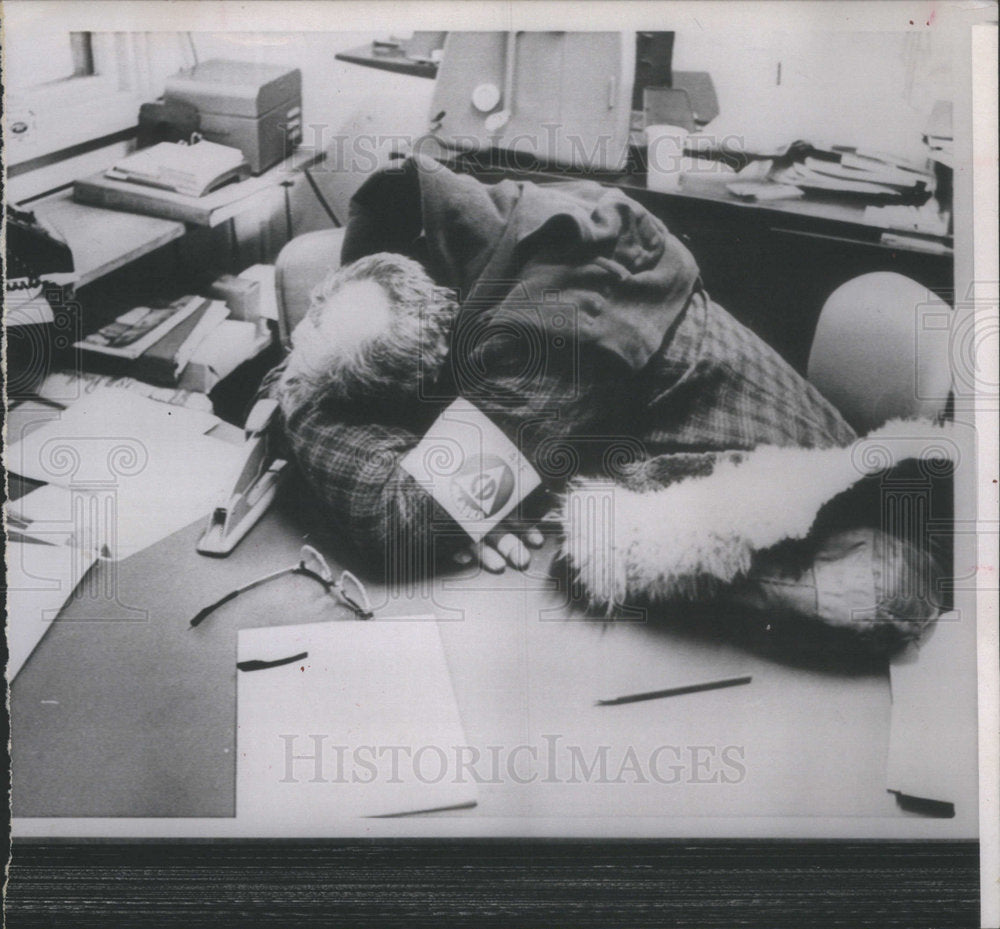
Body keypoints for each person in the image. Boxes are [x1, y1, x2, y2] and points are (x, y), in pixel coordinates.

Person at [259, 155, 943, 651]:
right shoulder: (452, 222)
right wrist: (473, 480)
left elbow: (399, 520)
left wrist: (301, 391)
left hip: (831, 540)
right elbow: (433, 463)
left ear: (440, 329)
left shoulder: (552, 330)